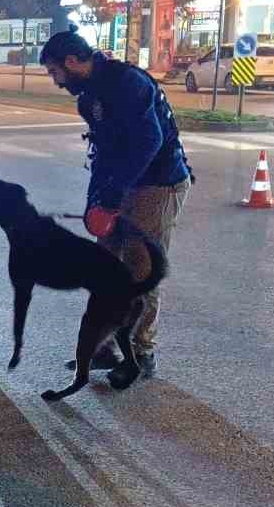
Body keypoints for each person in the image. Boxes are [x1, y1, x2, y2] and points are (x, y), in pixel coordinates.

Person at [40, 29, 193, 375]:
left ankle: (141, 354)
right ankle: (104, 348)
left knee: (142, 271)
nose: (55, 81)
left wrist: (113, 192)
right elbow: (102, 153)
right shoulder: (88, 98)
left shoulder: (128, 84)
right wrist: (96, 200)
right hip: (120, 187)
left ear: (72, 61)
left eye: (55, 72)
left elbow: (149, 142)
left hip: (158, 185)